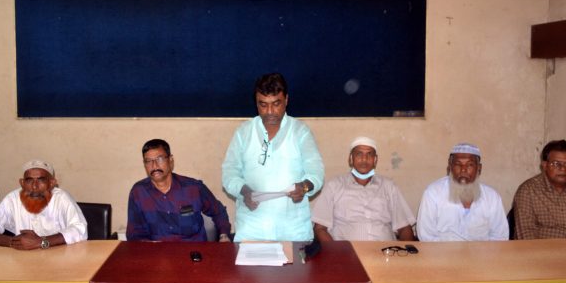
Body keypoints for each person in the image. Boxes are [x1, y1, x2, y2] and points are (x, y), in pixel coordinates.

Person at [222, 72, 324, 241]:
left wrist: (304, 187)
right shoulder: (244, 132)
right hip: (252, 228)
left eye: (276, 104)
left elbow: (316, 173)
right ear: (256, 103)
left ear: (286, 100)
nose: (270, 111)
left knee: (296, 261)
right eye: (263, 105)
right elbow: (229, 173)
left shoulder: (300, 132)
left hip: (293, 230)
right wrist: (244, 191)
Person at [311, 136, 415, 242]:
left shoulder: (389, 186)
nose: (364, 159)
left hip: (385, 250)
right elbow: (320, 229)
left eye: (369, 154)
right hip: (346, 251)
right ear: (350, 159)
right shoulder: (334, 186)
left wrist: (407, 251)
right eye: (359, 154)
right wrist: (335, 251)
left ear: (375, 160)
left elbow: (404, 228)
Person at [126, 139, 231, 242]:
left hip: (193, 249)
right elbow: (134, 233)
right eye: (148, 161)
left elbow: (219, 212)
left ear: (170, 160)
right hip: (157, 251)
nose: (154, 166)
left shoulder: (193, 188)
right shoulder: (138, 192)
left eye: (160, 159)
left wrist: (224, 236)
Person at [0, 159, 87, 249]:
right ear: (22, 183)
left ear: (52, 183)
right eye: (29, 180)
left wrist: (42, 242)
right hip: (23, 261)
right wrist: (14, 242)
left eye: (41, 180)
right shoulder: (13, 199)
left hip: (60, 259)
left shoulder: (61, 198)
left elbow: (80, 229)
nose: (34, 186)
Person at [417, 143, 508, 241]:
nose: (463, 170)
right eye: (458, 164)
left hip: (482, 250)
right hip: (443, 250)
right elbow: (426, 237)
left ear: (479, 168)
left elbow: (500, 236)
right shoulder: (433, 193)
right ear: (450, 166)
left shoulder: (492, 197)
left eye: (470, 165)